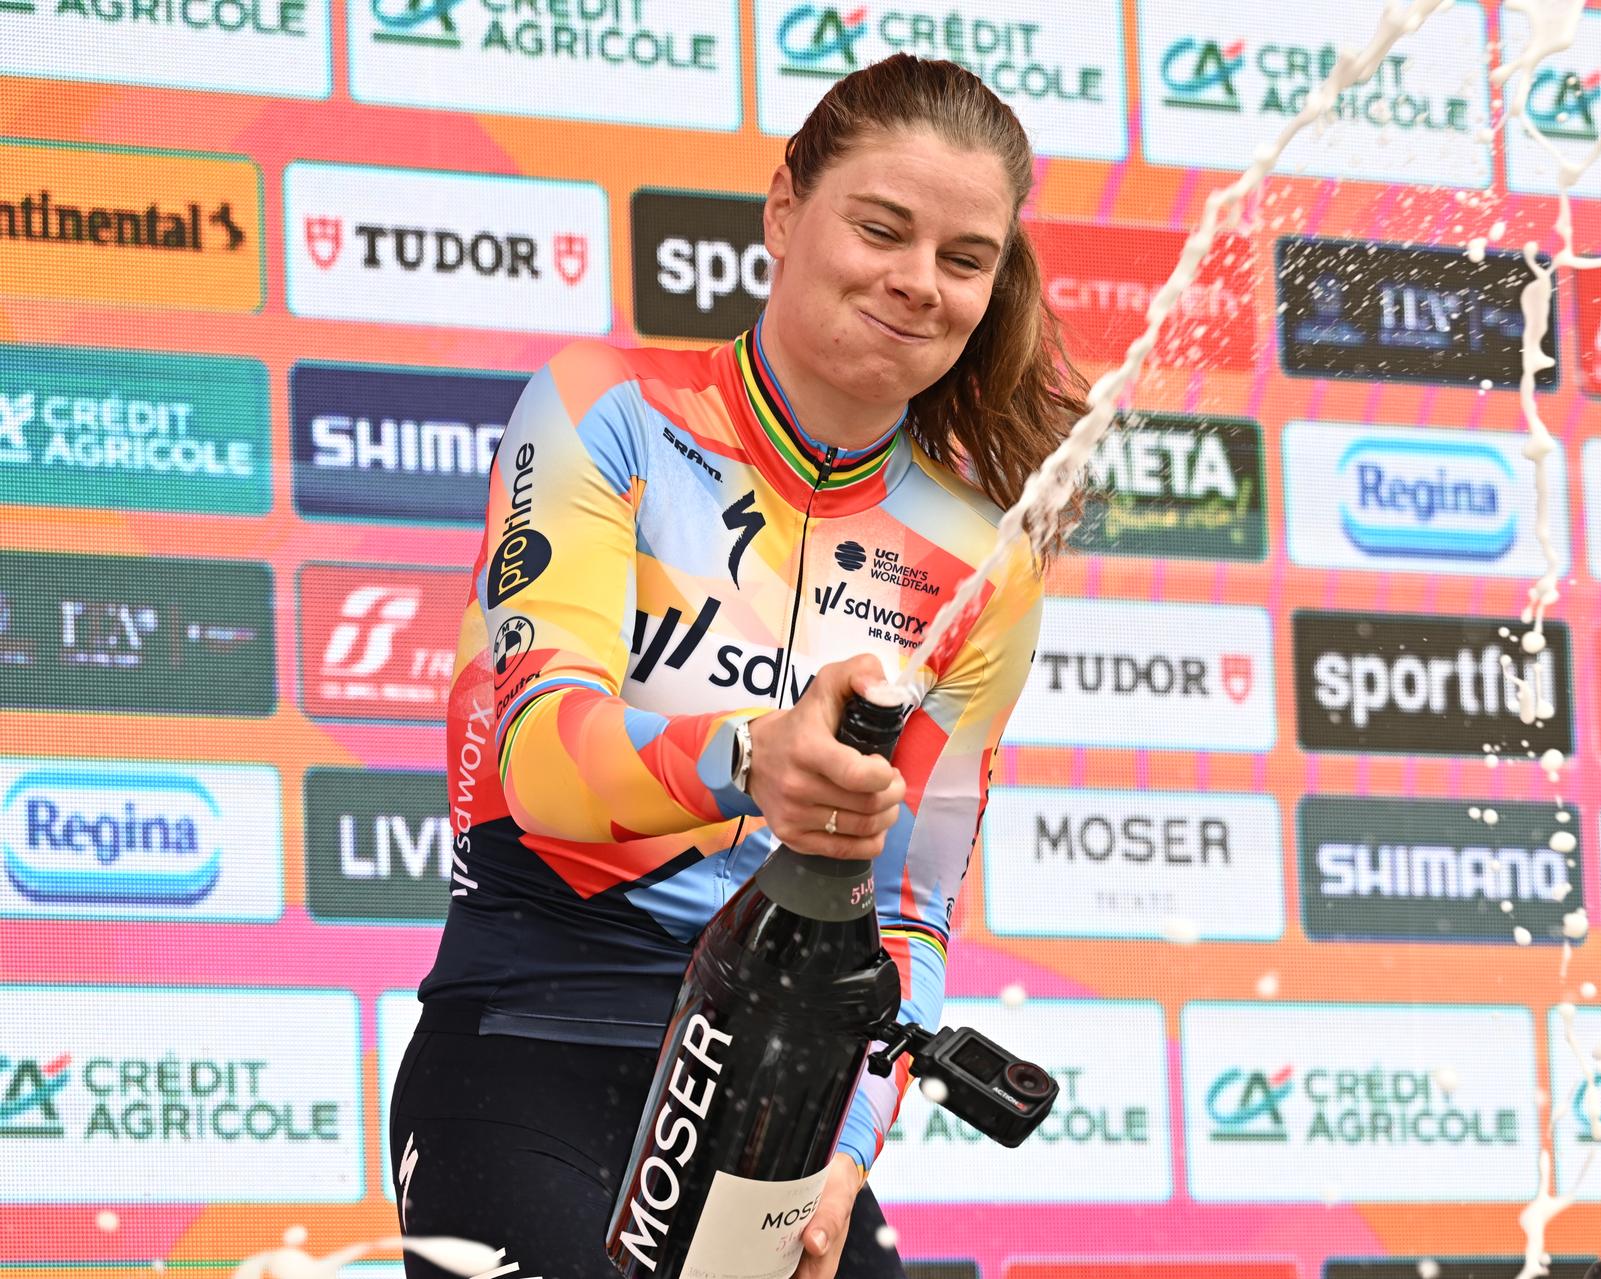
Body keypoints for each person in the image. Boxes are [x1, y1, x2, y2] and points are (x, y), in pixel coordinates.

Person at [387, 53, 1087, 1279]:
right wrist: (749, 758)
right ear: (782, 212)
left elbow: (913, 910)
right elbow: (542, 765)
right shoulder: (608, 411)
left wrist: (850, 1150)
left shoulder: (986, 562)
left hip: (783, 1099)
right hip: (534, 1026)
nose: (918, 282)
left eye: (964, 259)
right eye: (882, 228)